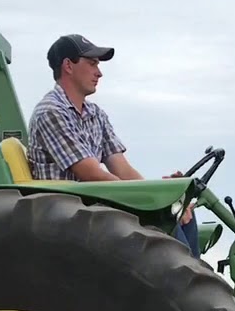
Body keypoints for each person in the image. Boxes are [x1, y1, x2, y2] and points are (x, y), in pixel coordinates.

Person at [26, 33, 200, 257]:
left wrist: (162, 198)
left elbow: (122, 169)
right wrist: (147, 202)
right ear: (68, 66)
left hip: (93, 209)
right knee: (163, 225)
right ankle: (182, 284)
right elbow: (91, 173)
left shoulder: (95, 114)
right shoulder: (51, 112)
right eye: (91, 64)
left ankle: (191, 275)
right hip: (67, 215)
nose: (99, 72)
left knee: (181, 213)